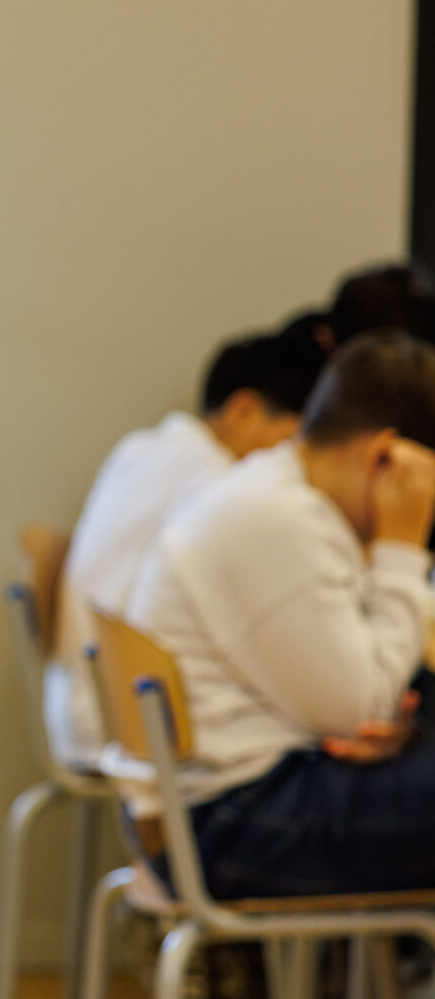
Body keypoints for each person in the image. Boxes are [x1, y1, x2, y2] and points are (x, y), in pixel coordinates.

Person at [119, 330, 435, 898]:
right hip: (231, 820)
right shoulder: (278, 517)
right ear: (389, 459)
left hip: (219, 805)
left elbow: (362, 705)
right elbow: (362, 709)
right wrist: (402, 543)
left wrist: (395, 727)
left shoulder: (273, 492)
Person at [45, 325, 326, 768]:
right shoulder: (222, 487)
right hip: (129, 725)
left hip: (80, 703)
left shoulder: (141, 448)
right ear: (243, 411)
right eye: (292, 438)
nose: (297, 460)